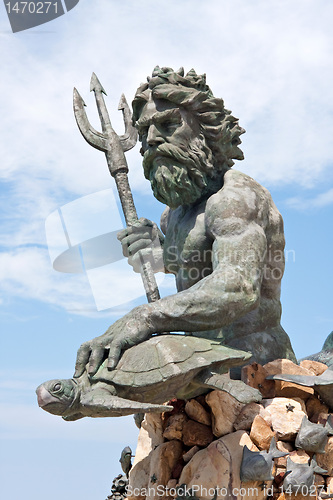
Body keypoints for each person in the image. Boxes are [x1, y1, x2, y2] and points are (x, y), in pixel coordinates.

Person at [74, 66, 295, 380]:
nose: (150, 140)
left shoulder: (236, 198)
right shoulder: (173, 214)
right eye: (144, 132)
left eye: (167, 124)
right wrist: (158, 253)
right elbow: (195, 269)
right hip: (199, 364)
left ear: (204, 129)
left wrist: (145, 317)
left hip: (254, 365)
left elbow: (237, 289)